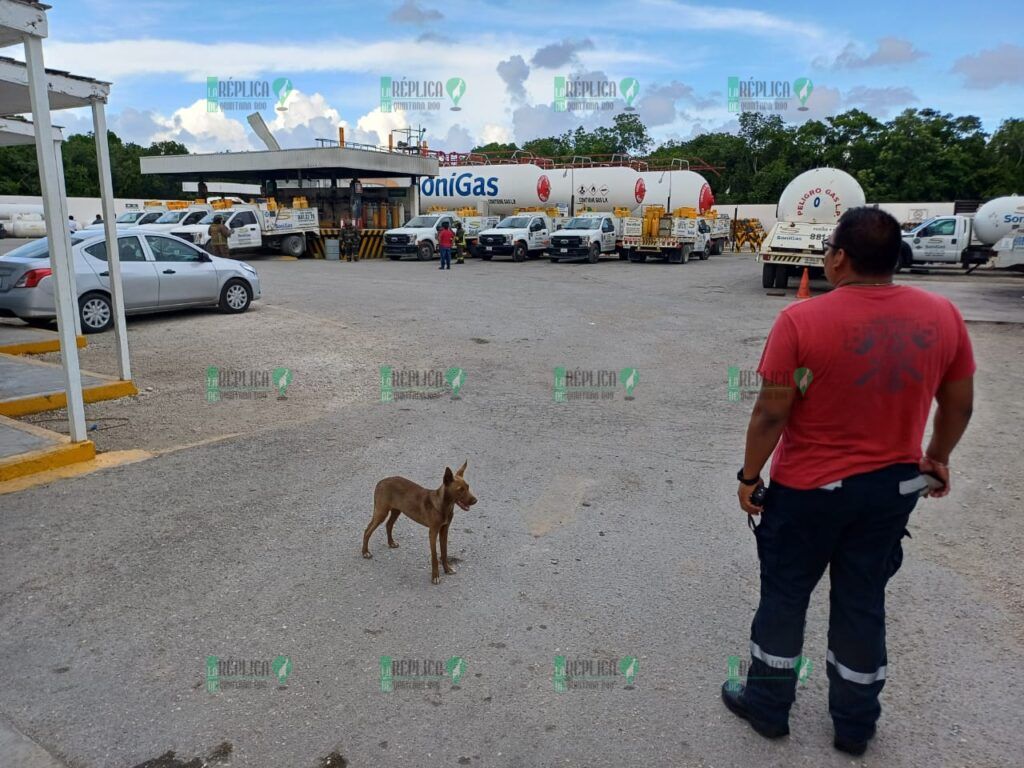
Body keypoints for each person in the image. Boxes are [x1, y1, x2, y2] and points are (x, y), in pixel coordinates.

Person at [724, 207, 975, 756]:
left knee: (786, 597)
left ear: (838, 257)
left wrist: (748, 476)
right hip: (890, 492)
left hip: (807, 492)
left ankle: (768, 708)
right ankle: (855, 725)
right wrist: (936, 457)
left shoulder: (801, 321)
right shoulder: (942, 316)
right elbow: (958, 403)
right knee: (862, 599)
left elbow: (772, 412)